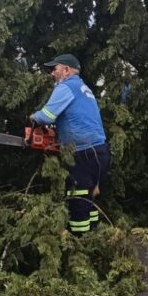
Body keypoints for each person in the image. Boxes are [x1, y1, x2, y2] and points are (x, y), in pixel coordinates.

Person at [30, 54, 110, 234]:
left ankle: (79, 241)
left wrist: (34, 117)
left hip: (83, 154)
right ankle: (95, 236)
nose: (52, 73)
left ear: (66, 70)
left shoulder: (66, 87)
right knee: (90, 198)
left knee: (78, 200)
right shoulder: (83, 89)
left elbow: (47, 116)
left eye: (55, 69)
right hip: (100, 152)